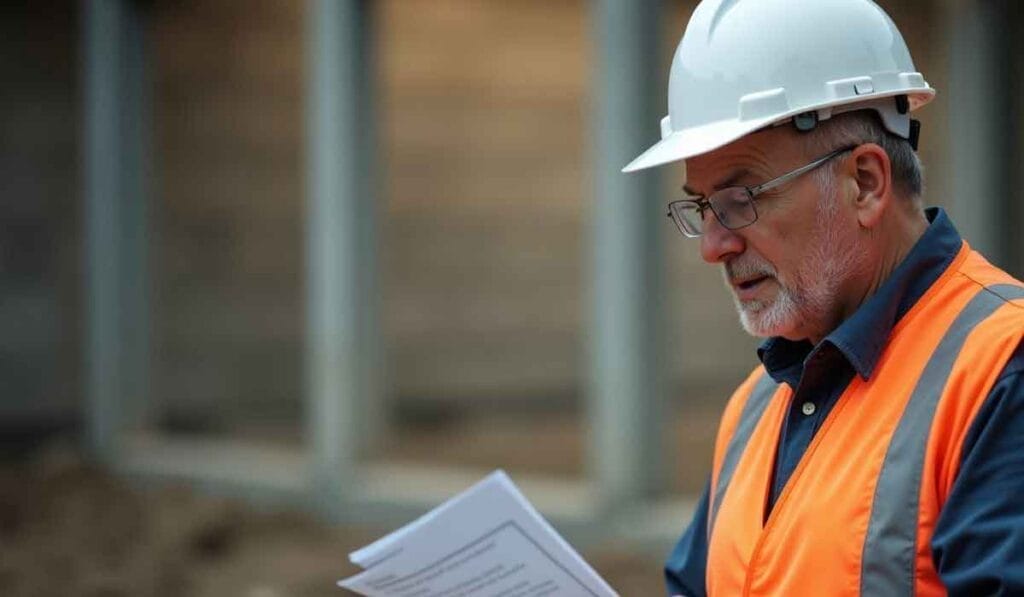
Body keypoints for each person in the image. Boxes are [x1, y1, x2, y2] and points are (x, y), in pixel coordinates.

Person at [622, 1, 1024, 595]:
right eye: (703, 207)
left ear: (864, 182)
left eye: (740, 199)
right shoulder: (754, 408)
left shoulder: (1002, 369)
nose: (713, 245)